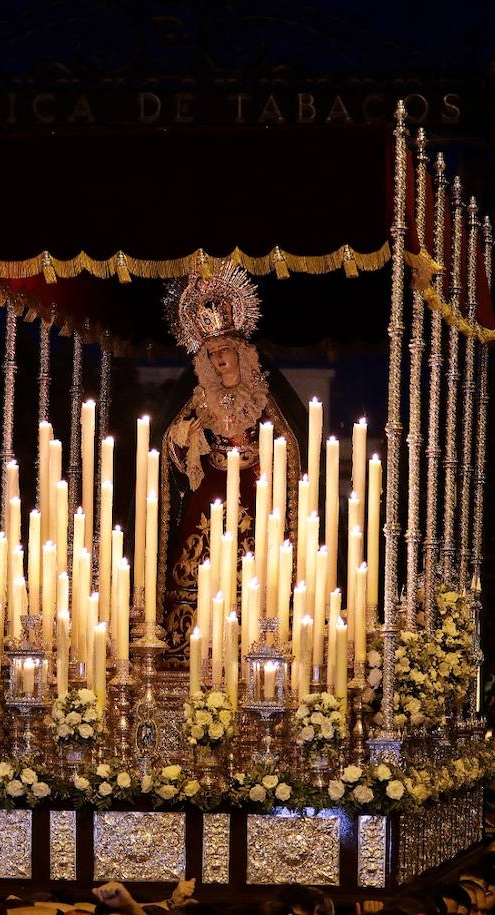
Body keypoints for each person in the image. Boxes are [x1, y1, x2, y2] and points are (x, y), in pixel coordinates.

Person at [156, 263, 307, 667]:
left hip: (256, 497)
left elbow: (293, 445)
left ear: (242, 354)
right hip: (209, 496)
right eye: (212, 354)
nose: (220, 361)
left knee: (258, 578)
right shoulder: (198, 398)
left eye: (226, 352)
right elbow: (170, 441)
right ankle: (188, 651)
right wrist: (189, 437)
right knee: (193, 569)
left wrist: (261, 450)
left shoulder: (264, 397)